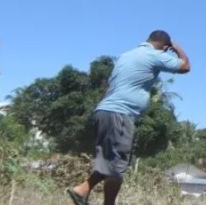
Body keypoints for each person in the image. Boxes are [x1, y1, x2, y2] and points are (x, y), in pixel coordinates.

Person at [66, 30, 190, 205]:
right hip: (120, 113)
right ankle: (82, 189)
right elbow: (185, 66)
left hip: (105, 111)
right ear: (164, 46)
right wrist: (176, 48)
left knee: (113, 164)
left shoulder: (126, 55)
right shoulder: (154, 55)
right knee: (116, 164)